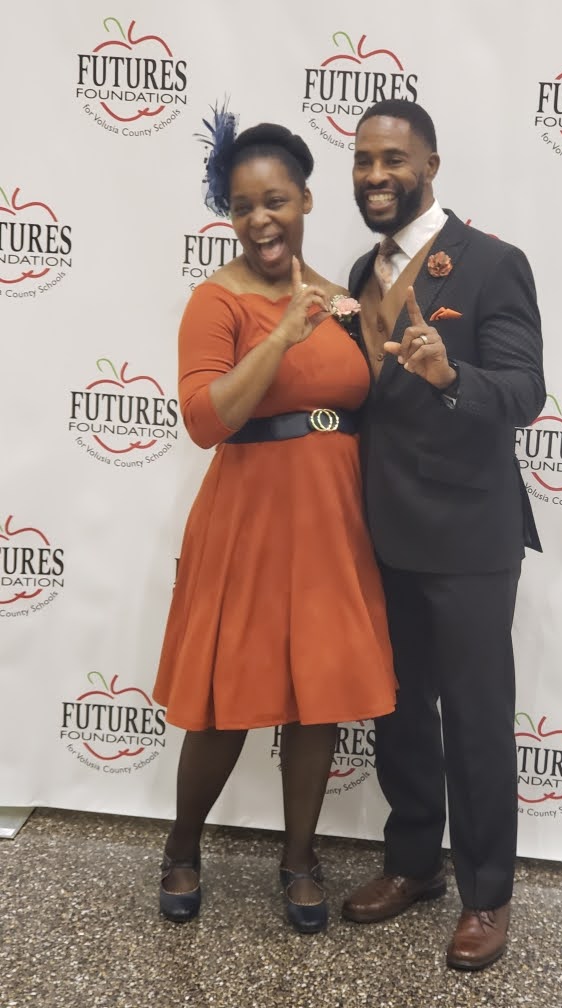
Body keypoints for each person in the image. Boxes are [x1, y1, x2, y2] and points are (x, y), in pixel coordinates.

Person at [152, 119, 396, 934]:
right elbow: (204, 418)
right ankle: (183, 847)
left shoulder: (340, 294)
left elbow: (365, 406)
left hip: (332, 526)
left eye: (277, 201)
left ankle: (300, 858)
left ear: (305, 201)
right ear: (230, 214)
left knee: (315, 699)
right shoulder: (215, 301)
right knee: (226, 701)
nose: (261, 218)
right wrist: (283, 333)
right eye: (244, 205)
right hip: (249, 523)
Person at [341, 100, 545, 971]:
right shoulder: (360, 269)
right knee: (398, 713)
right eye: (362, 161)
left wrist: (450, 373)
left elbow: (524, 395)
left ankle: (487, 895)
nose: (375, 176)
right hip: (383, 533)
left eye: (393, 159)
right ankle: (413, 864)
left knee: (473, 720)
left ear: (430, 163)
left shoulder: (494, 264)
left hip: (468, 534)